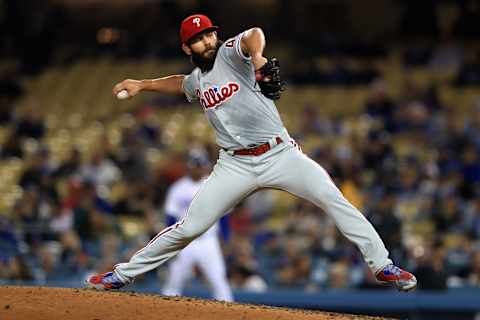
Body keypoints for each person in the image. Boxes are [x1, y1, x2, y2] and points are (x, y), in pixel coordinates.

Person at [86, 14, 417, 292]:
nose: (207, 41)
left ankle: (383, 265)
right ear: (187, 47)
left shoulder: (231, 53)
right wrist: (143, 85)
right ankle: (122, 275)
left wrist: (257, 60)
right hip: (235, 164)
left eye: (209, 34)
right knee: (189, 228)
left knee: (334, 199)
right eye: (198, 39)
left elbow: (254, 35)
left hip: (280, 154)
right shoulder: (198, 81)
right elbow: (181, 83)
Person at [161, 149, 233, 301]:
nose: (199, 168)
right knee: (173, 283)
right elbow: (170, 218)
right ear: (189, 166)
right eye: (196, 165)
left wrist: (225, 240)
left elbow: (224, 216)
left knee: (219, 283)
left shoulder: (214, 186)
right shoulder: (178, 188)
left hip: (208, 241)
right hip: (184, 242)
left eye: (201, 165)